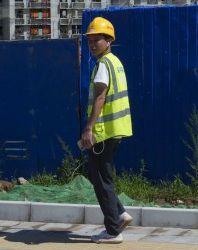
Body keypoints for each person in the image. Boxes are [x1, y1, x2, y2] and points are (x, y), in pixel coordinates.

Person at [80, 16, 133, 244]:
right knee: (97, 175)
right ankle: (120, 214)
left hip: (103, 131)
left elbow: (101, 96)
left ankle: (113, 230)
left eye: (97, 40)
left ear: (109, 40)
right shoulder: (116, 62)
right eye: (90, 40)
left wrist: (89, 129)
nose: (92, 45)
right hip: (115, 129)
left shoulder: (103, 65)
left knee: (101, 180)